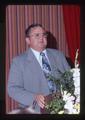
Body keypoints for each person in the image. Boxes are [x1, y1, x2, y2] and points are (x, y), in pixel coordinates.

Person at [7, 23, 71, 114]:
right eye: (37, 35)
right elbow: (12, 89)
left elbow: (70, 79)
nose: (41, 38)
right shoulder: (18, 61)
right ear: (28, 40)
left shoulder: (59, 55)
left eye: (44, 35)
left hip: (64, 107)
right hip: (35, 109)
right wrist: (33, 97)